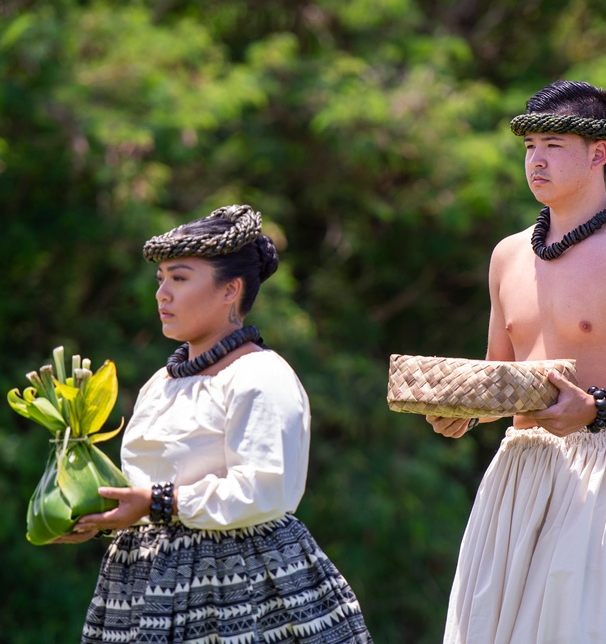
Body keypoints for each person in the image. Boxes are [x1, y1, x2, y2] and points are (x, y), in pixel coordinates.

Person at [427, 80, 606, 643]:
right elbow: (500, 376)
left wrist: (599, 409)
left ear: (598, 152)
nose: (536, 158)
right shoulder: (507, 255)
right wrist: (465, 411)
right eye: (530, 144)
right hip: (520, 469)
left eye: (554, 144)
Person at [60, 205, 372, 643]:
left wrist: (156, 503)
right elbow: (145, 486)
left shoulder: (261, 376)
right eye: (161, 279)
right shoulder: (161, 382)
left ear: (231, 290)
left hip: (241, 592)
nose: (162, 294)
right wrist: (97, 514)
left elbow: (266, 489)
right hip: (140, 591)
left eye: (180, 278)